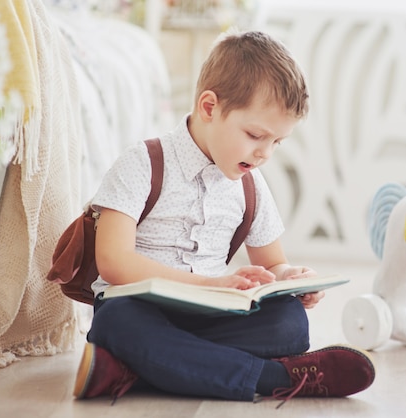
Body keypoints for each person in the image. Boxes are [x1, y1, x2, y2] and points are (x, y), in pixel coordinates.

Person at [73, 30, 375, 407]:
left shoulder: (251, 184)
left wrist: (290, 279)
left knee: (290, 323)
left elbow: (273, 263)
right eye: (255, 135)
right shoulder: (142, 163)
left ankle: (133, 368)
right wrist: (209, 283)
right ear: (209, 107)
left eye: (277, 142)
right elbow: (114, 263)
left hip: (211, 316)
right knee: (115, 323)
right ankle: (276, 378)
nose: (265, 153)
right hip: (140, 309)